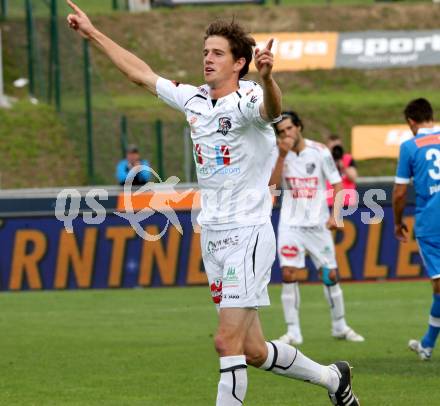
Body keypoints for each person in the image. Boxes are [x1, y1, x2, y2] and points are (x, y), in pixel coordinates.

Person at [66, 2, 360, 404]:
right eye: (205, 52)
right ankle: (333, 379)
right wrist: (93, 32)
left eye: (218, 53)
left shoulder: (249, 99)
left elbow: (272, 111)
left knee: (226, 342)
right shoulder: (194, 100)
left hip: (248, 235)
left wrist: (269, 77)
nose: (208, 59)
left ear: (240, 63)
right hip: (214, 236)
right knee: (253, 349)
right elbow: (141, 75)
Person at [270, 111, 364, 346]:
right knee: (289, 273)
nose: (286, 134)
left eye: (289, 128)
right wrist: (282, 156)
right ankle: (293, 331)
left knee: (330, 275)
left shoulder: (320, 152)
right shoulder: (277, 153)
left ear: (299, 126)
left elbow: (338, 185)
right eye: (281, 131)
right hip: (291, 225)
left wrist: (336, 215)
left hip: (318, 225)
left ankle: (340, 326)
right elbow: (271, 187)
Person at [393, 98, 440, 361]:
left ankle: (427, 345)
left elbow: (400, 193)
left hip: (431, 224)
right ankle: (427, 344)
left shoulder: (410, 147)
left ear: (411, 122)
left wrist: (398, 222)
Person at [325, 134, 358, 207]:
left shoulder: (347, 159)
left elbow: (353, 178)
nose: (335, 151)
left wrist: (343, 166)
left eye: (337, 148)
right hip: (328, 203)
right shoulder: (322, 160)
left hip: (347, 203)